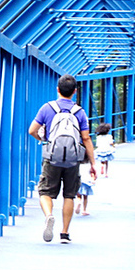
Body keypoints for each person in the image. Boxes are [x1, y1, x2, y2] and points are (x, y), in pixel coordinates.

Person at [28, 74, 98, 244]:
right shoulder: (79, 111)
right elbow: (86, 138)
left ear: (57, 89)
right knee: (69, 195)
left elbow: (32, 130)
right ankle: (65, 233)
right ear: (75, 91)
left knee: (45, 191)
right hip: (73, 160)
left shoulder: (47, 108)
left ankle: (49, 215)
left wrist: (44, 140)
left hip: (52, 157)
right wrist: (93, 163)